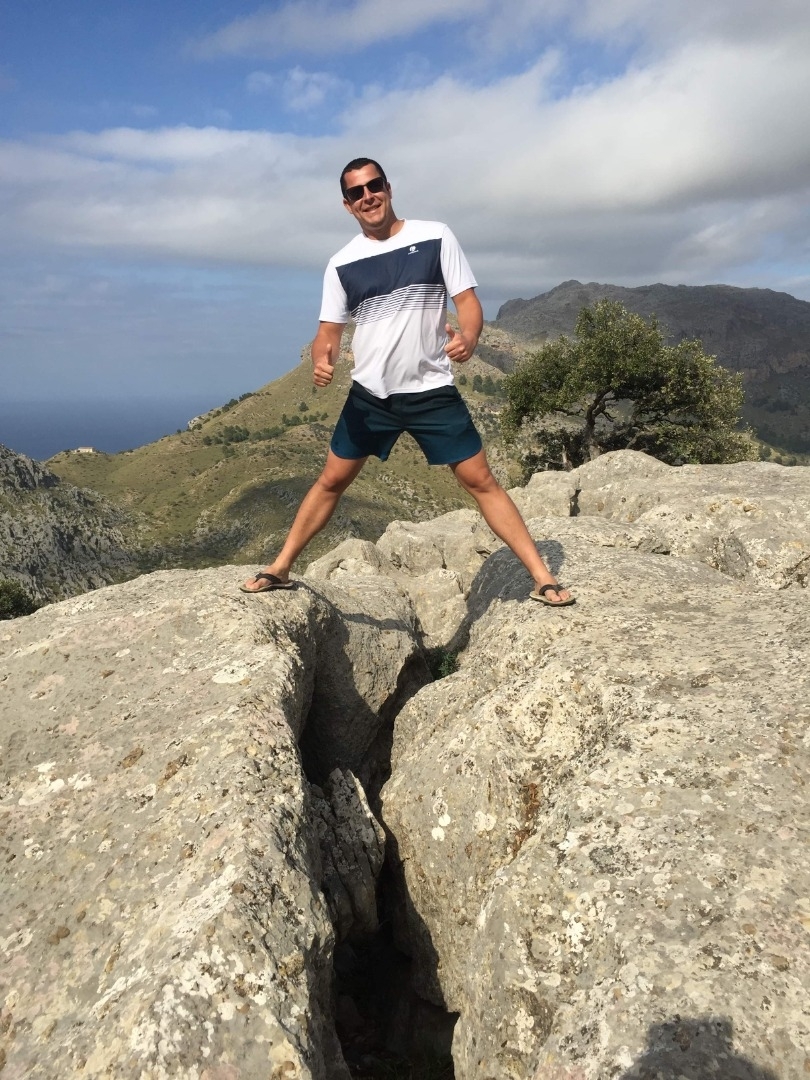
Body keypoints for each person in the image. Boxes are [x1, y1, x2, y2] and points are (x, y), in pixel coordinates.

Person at [241, 157, 574, 606]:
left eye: (373, 185)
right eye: (356, 192)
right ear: (347, 205)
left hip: (430, 391)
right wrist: (323, 360)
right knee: (331, 482)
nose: (368, 196)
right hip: (370, 398)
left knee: (481, 482)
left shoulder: (435, 236)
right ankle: (280, 568)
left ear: (388, 187)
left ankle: (542, 576)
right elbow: (328, 332)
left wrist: (470, 336)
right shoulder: (341, 264)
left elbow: (467, 301)